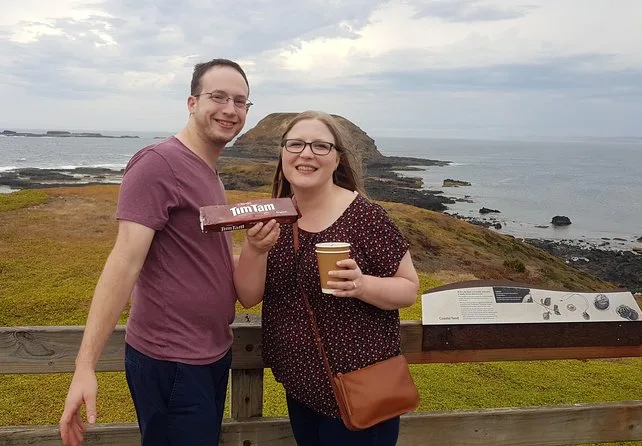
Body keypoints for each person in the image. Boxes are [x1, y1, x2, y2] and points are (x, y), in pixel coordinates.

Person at [59, 58, 276, 446]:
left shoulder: (208, 171)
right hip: (171, 360)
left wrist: (258, 250)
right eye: (218, 97)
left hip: (212, 354)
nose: (230, 109)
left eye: (240, 101)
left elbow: (209, 267)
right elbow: (124, 263)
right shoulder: (158, 163)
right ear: (192, 103)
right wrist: (85, 366)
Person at [234, 110, 420, 445]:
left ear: (337, 159)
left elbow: (408, 289)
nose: (306, 154)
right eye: (296, 144)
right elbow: (248, 296)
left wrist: (363, 285)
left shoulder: (365, 217)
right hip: (301, 390)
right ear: (283, 154)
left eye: (320, 146)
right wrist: (255, 249)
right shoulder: (276, 215)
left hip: (361, 392)